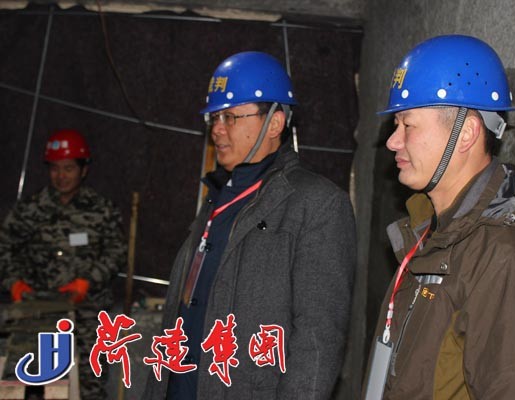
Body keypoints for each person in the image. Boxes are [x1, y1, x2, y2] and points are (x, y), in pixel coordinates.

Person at [363, 35, 515, 399]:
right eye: (396, 125)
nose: (393, 141)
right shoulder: (428, 234)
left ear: (466, 133)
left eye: (408, 125)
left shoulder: (509, 259)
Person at [142, 51, 356, 400]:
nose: (217, 129)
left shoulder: (316, 205)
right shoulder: (217, 200)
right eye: (214, 117)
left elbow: (318, 341)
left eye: (230, 117)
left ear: (274, 123)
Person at [0, 129, 127, 399]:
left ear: (83, 169)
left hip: (87, 316)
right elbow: (4, 247)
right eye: (55, 168)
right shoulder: (30, 209)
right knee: (34, 385)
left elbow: (116, 251)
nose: (61, 176)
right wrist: (14, 283)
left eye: (68, 168)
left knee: (89, 386)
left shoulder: (101, 209)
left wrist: (88, 281)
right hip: (38, 314)